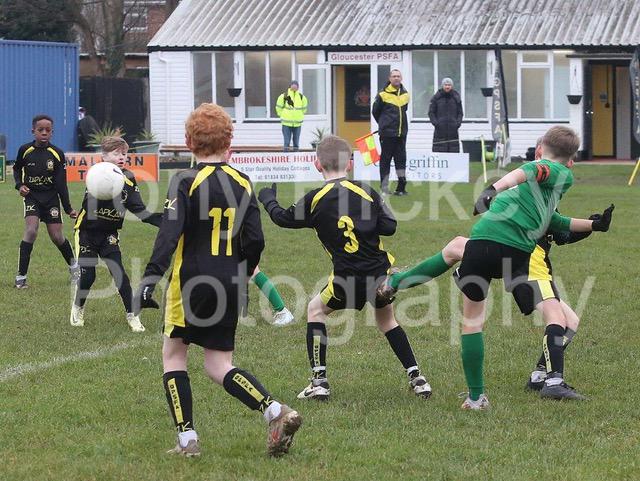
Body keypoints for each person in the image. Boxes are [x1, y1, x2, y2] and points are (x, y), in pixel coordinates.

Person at [382, 127, 614, 408]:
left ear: (540, 148)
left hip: (481, 245)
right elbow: (534, 169)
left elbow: (555, 221)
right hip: (516, 256)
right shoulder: (559, 172)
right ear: (570, 160)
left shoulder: (530, 191)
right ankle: (550, 378)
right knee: (559, 316)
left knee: (471, 319)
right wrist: (493, 188)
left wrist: (593, 225)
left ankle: (476, 397)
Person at [135, 103, 302, 457]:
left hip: (191, 281)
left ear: (188, 142)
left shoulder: (184, 180)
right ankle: (275, 411)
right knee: (219, 364)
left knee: (174, 356)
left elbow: (169, 234)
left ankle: (187, 440)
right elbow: (255, 239)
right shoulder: (243, 182)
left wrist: (150, 278)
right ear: (229, 141)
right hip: (230, 281)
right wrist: (244, 269)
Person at [257, 135, 432, 401]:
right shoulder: (366, 191)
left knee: (315, 310)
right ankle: (417, 377)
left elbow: (282, 218)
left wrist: (268, 199)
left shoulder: (315, 199)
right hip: (379, 275)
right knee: (387, 321)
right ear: (349, 164)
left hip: (345, 278)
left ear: (318, 165)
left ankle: (319, 381)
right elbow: (390, 227)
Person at [70, 136, 162, 332]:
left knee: (119, 273)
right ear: (104, 156)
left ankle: (132, 315)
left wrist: (166, 222)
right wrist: (110, 188)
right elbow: (88, 205)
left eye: (124, 153)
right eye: (116, 153)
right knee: (88, 275)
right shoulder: (98, 173)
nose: (122, 157)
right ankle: (78, 307)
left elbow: (139, 209)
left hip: (109, 234)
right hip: (86, 231)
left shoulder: (128, 177)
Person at [13, 114, 78, 289]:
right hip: (32, 197)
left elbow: (61, 184)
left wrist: (68, 208)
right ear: (33, 131)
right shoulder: (25, 150)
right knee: (31, 231)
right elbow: (17, 169)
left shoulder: (57, 153)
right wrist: (19, 185)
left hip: (51, 200)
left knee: (57, 236)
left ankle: (74, 268)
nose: (44, 133)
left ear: (52, 132)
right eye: (40, 130)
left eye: (48, 130)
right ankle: (21, 277)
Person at [372, 69, 409, 196]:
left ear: (401, 78)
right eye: (394, 76)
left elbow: (404, 111)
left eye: (398, 76)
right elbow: (375, 112)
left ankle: (401, 188)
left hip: (401, 133)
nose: (396, 78)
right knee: (385, 160)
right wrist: (384, 123)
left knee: (401, 160)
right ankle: (384, 187)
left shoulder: (405, 94)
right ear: (390, 78)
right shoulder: (382, 94)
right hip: (387, 134)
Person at [428, 78, 463, 153]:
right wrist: (436, 123)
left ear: (451, 86)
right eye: (445, 85)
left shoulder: (456, 97)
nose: (447, 87)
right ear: (442, 86)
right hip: (439, 131)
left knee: (453, 154)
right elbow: (431, 112)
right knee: (439, 154)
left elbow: (460, 113)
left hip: (453, 131)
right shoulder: (436, 98)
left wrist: (457, 123)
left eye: (449, 85)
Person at [276, 80, 308, 152]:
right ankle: (286, 157)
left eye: (295, 86)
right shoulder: (284, 96)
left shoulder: (302, 97)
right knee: (286, 143)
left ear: (298, 87)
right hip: (286, 123)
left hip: (297, 123)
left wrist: (299, 115)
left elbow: (304, 109)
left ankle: (296, 157)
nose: (294, 88)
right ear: (290, 86)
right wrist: (282, 115)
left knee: (296, 143)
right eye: (293, 86)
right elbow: (278, 108)